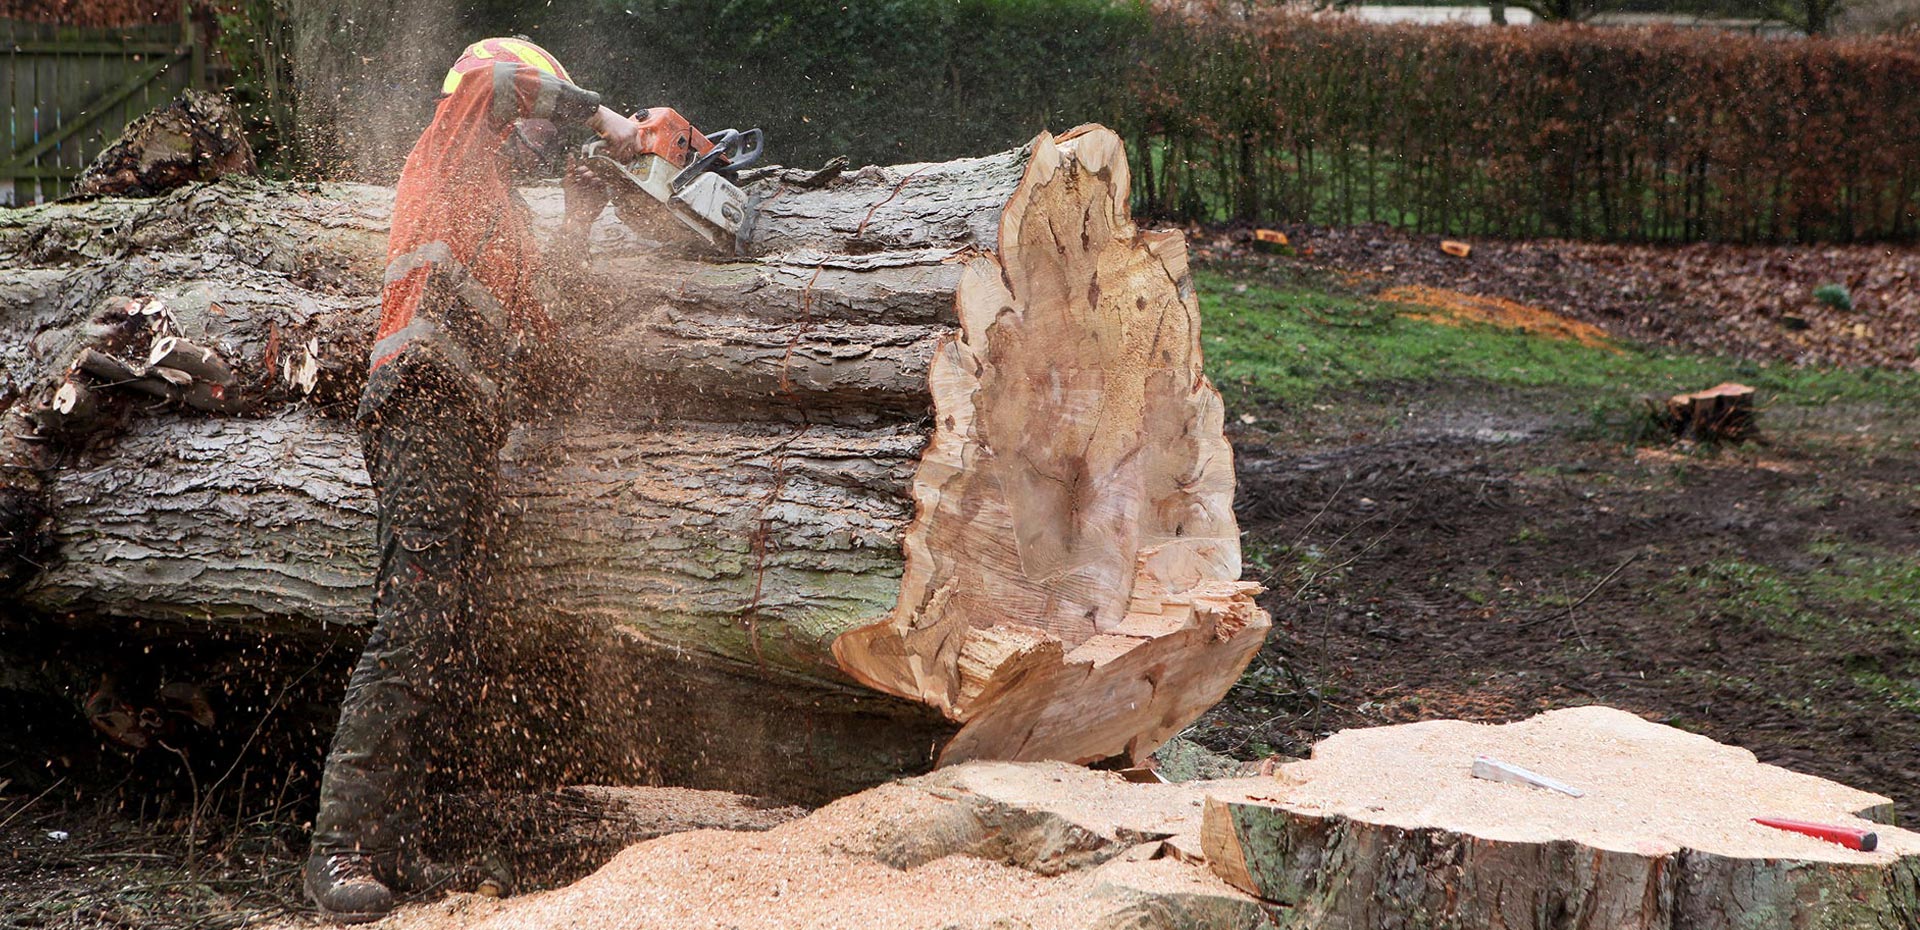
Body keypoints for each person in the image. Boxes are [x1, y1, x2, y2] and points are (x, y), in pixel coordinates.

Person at [304, 37, 637, 923]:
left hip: (469, 432)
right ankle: (336, 845)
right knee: (411, 625)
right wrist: (607, 116)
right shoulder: (444, 148)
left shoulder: (509, 217)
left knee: (448, 635)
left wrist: (575, 220)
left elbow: (543, 341)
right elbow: (496, 82)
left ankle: (396, 839)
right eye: (540, 110)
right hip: (418, 406)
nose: (539, 126)